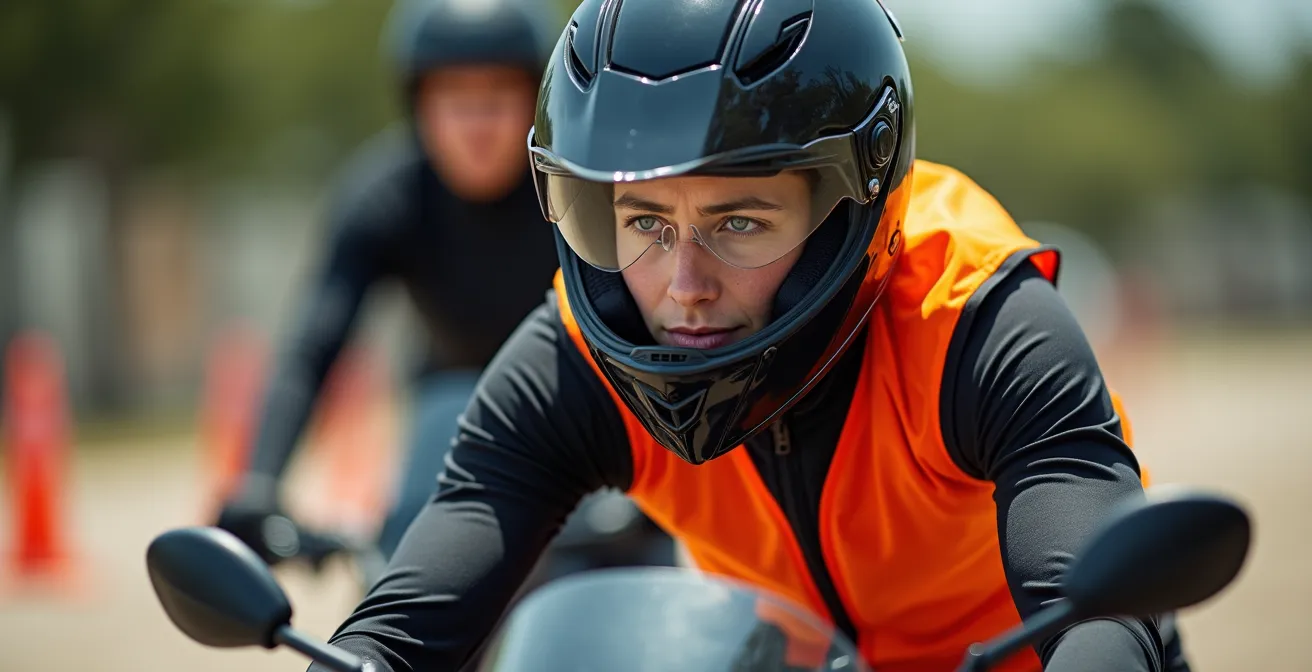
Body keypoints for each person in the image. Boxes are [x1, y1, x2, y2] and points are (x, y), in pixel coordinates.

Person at [309, 0, 1191, 670]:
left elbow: (1102, 607)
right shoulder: (584, 352)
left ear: (848, 205)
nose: (682, 290)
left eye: (739, 223)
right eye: (644, 222)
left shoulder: (973, 320)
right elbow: (414, 611)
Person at [214, 0, 673, 582]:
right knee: (401, 564)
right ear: (418, 108)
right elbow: (313, 348)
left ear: (540, 100)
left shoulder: (593, 187)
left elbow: (665, 330)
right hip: (451, 426)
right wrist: (259, 482)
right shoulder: (386, 197)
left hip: (592, 420)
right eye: (453, 100)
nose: (476, 124)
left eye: (498, 97)